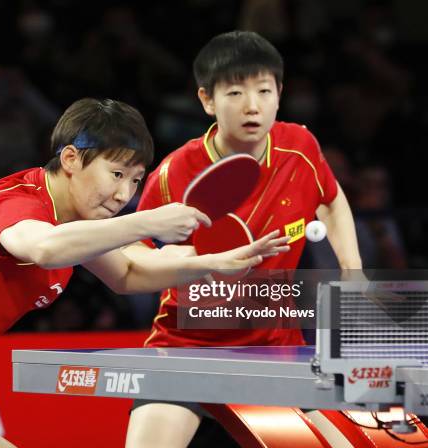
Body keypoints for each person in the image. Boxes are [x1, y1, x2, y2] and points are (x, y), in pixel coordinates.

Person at [0, 98, 290, 448]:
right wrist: (149, 219)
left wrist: (213, 263)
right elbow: (42, 249)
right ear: (70, 159)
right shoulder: (17, 205)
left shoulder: (78, 225)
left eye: (136, 180)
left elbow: (128, 270)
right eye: (116, 174)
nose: (125, 192)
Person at [124, 31, 363, 448]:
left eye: (263, 90)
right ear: (207, 100)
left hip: (276, 354)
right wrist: (183, 262)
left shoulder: (299, 148)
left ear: (279, 94)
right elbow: (132, 258)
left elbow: (332, 198)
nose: (252, 105)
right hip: (185, 350)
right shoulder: (174, 173)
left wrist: (353, 270)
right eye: (234, 92)